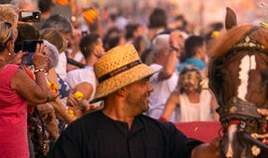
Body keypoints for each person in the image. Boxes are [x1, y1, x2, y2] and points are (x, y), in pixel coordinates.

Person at [53, 44, 220, 157]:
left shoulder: (160, 132)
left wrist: (215, 147)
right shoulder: (79, 135)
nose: (151, 88)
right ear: (122, 89)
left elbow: (193, 153)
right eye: (143, 83)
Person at [0, 21, 54, 158]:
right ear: (9, 45)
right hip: (6, 146)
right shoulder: (13, 73)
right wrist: (39, 67)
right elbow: (42, 96)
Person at [148, 31, 184, 118]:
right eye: (177, 49)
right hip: (158, 122)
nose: (178, 53)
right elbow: (168, 72)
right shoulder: (153, 68)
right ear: (165, 50)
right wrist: (174, 48)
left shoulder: (174, 69)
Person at [66, 32, 103, 111]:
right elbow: (72, 109)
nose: (104, 50)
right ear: (95, 49)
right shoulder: (89, 79)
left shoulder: (87, 73)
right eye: (102, 47)